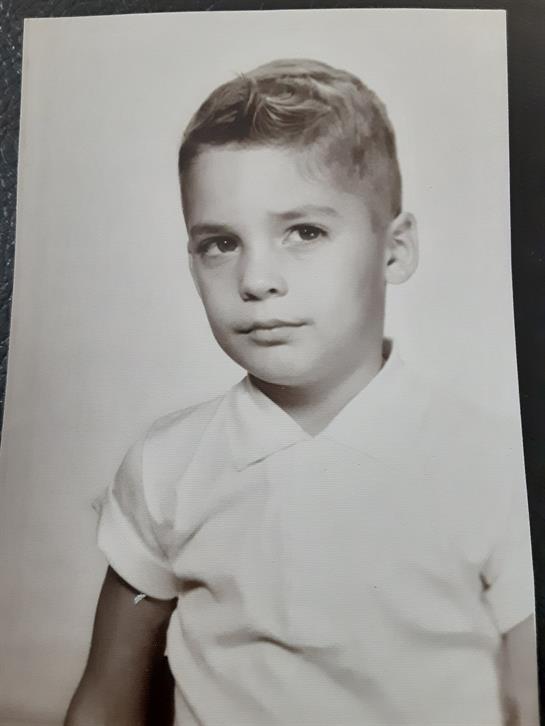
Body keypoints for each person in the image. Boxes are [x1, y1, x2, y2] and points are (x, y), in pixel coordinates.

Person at [65, 59, 538, 726]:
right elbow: (106, 701)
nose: (256, 279)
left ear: (395, 249)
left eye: (304, 232)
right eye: (220, 244)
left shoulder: (490, 463)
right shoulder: (166, 465)